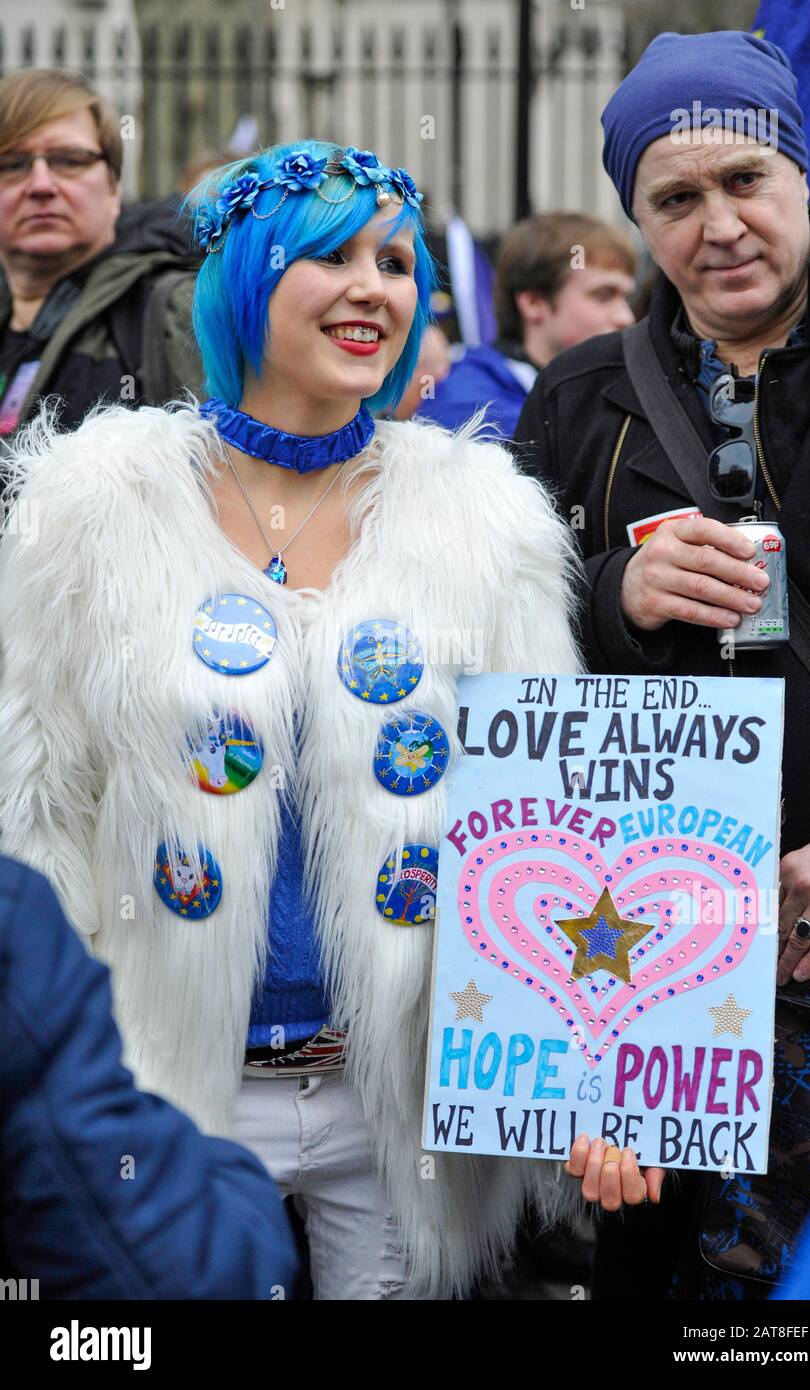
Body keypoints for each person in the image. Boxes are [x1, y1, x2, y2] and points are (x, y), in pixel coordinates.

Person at [0, 139, 662, 1301]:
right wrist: (62, 1079)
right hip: (163, 1090)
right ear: (245, 279)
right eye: (331, 256)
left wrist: (588, 1075)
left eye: (397, 262)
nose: (375, 288)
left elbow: (551, 822)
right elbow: (33, 812)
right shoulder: (90, 507)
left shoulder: (483, 517)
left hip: (396, 1102)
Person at [514, 30, 810, 1299]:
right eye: (675, 197)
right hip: (653, 939)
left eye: (745, 180)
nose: (719, 223)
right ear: (637, 219)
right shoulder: (582, 393)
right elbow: (507, 646)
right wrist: (614, 592)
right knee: (671, 1268)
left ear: (800, 174)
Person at [0, 853, 298, 1299]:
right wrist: (237, 1174)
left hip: (357, 1096)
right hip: (198, 1094)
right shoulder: (15, 917)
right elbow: (181, 1270)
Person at [0, 67, 202, 445]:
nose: (41, 185)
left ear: (114, 187)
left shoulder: (177, 309)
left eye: (70, 160)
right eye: (12, 164)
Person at [417, 212, 636, 437]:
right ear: (534, 303)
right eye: (604, 294)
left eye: (626, 297)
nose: (626, 317)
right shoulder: (469, 407)